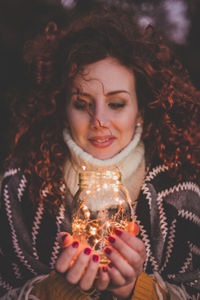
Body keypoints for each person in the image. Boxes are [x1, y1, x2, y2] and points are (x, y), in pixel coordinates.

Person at [0, 5, 200, 300]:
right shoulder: (20, 190)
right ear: (62, 108)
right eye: (82, 104)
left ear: (140, 108)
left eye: (116, 103)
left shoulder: (181, 192)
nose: (99, 120)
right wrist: (49, 292)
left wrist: (140, 290)